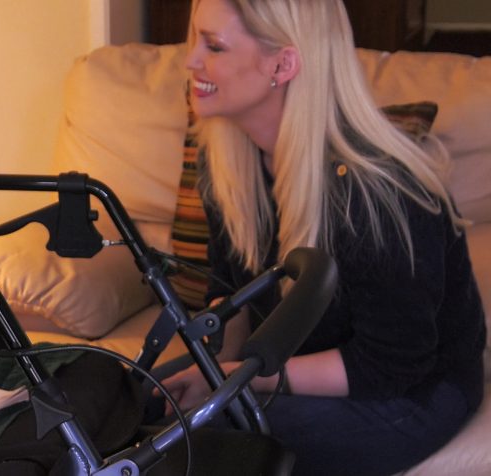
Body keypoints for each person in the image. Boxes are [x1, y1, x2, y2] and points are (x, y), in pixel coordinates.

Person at [158, 0, 486, 474]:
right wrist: (206, 369)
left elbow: (390, 365)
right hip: (292, 360)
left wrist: (236, 381)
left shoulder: (379, 191)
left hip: (411, 392)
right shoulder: (225, 162)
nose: (190, 60)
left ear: (283, 64)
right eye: (195, 39)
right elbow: (230, 296)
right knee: (136, 406)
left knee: (200, 444)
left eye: (214, 46)